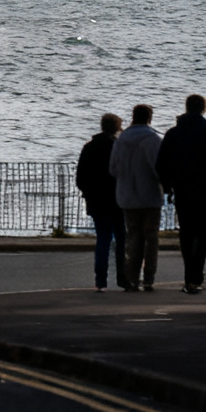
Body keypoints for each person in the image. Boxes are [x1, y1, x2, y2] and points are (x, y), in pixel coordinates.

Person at [154, 93, 206, 295]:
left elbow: (161, 164)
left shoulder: (173, 133)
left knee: (187, 233)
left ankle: (189, 275)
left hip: (183, 190)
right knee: (204, 234)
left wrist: (169, 185)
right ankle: (196, 276)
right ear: (203, 109)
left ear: (186, 108)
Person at [109, 103, 164, 293]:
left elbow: (113, 169)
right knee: (151, 238)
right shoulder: (153, 139)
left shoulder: (121, 139)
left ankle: (131, 278)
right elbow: (159, 169)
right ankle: (149, 277)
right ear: (149, 117)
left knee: (133, 237)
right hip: (149, 197)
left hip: (127, 197)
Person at [74, 114, 128, 291]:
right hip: (117, 200)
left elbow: (80, 178)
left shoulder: (89, 147)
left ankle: (100, 281)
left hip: (97, 201)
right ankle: (123, 278)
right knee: (121, 240)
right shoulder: (118, 146)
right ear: (117, 127)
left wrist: (89, 194)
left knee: (102, 239)